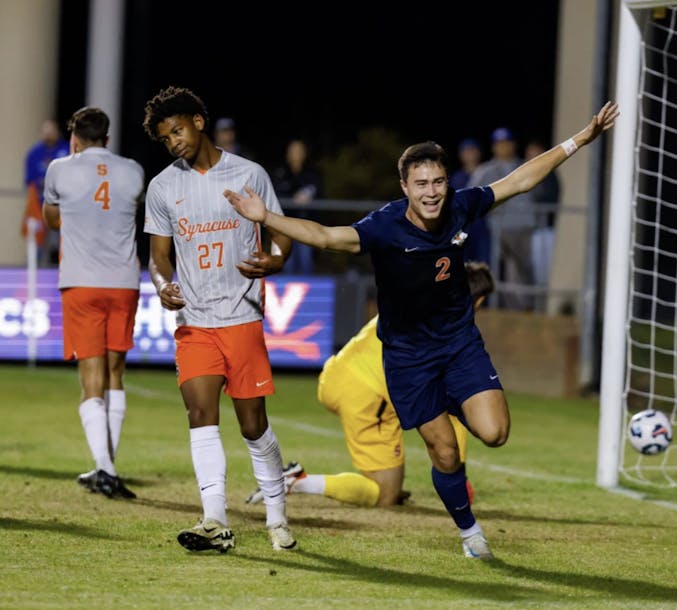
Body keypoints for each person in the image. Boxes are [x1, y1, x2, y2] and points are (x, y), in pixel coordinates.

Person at [224, 101, 619, 560]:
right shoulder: (385, 226)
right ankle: (470, 533)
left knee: (495, 432)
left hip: (458, 346)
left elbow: (520, 180)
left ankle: (456, 400)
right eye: (421, 184)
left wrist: (579, 140)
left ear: (446, 182)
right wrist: (267, 216)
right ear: (405, 188)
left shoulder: (460, 206)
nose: (431, 192)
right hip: (408, 359)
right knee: (446, 454)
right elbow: (327, 236)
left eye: (437, 182)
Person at [141, 86, 297, 553]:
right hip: (195, 322)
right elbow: (158, 257)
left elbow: (280, 235)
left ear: (198, 122)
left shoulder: (249, 174)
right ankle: (215, 521)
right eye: (166, 138)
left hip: (243, 318)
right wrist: (162, 284)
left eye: (178, 130)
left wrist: (275, 260)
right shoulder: (163, 186)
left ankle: (276, 515)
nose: (174, 142)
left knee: (253, 425)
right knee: (200, 414)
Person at [245, 260, 495, 508]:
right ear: (479, 300)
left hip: (342, 374)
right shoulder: (448, 328)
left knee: (393, 488)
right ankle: (297, 482)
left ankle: (379, 485)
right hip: (365, 393)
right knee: (384, 495)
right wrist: (457, 474)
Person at [41, 107, 144, 500]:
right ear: (108, 138)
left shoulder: (60, 169)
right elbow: (127, 212)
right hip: (123, 281)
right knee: (116, 370)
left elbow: (53, 219)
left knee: (91, 376)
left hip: (82, 281)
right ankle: (108, 466)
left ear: (74, 139)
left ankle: (104, 466)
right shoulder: (133, 171)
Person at [468, 126, 537, 310]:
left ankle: (523, 307)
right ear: (494, 147)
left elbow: (539, 193)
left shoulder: (524, 165)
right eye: (499, 144)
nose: (503, 147)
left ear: (513, 144)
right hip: (496, 226)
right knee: (496, 268)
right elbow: (471, 195)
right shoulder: (485, 170)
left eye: (506, 143)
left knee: (521, 268)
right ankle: (498, 306)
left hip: (523, 225)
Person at [22, 118, 71, 267]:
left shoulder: (66, 149)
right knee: (37, 246)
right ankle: (34, 276)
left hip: (63, 205)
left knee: (59, 245)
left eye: (52, 129)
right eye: (46, 130)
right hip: (40, 204)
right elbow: (29, 180)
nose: (49, 133)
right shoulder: (34, 153)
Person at [271, 138, 323, 275]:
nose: (296, 154)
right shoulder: (280, 172)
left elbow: (318, 192)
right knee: (287, 264)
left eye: (299, 150)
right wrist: (293, 198)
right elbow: (276, 193)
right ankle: (289, 295)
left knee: (306, 262)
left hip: (306, 224)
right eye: (293, 150)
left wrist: (307, 197)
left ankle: (307, 295)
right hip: (284, 225)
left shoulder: (312, 173)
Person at [524, 138, 561, 298]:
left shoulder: (550, 173)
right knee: (527, 269)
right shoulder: (524, 172)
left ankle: (541, 304)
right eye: (530, 154)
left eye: (535, 154)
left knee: (542, 270)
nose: (532, 157)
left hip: (544, 228)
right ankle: (532, 303)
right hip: (526, 228)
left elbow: (548, 197)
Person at [449, 139, 491, 274]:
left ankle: (483, 296)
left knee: (483, 266)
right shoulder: (456, 178)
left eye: (472, 151)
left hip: (482, 228)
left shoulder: (487, 174)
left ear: (479, 153)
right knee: (459, 263)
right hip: (461, 230)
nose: (469, 155)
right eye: (466, 151)